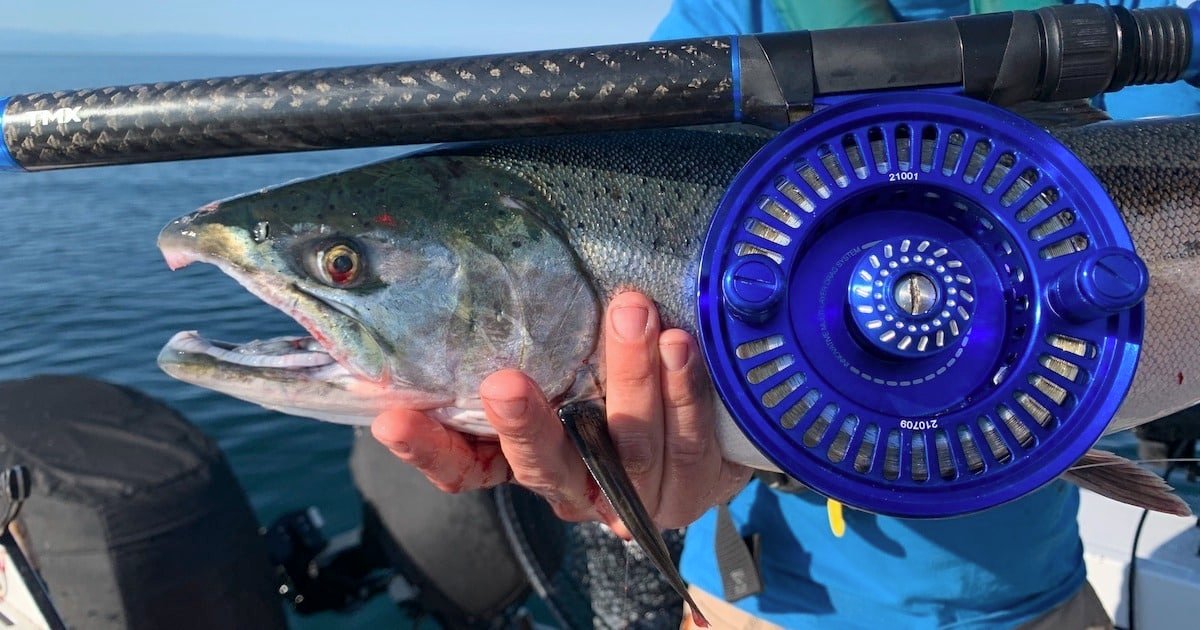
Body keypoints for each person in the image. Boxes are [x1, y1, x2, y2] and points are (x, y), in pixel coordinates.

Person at [373, 1, 1192, 627]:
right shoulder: (730, 20)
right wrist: (619, 476)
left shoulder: (1137, 24)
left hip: (1035, 592)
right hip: (761, 602)